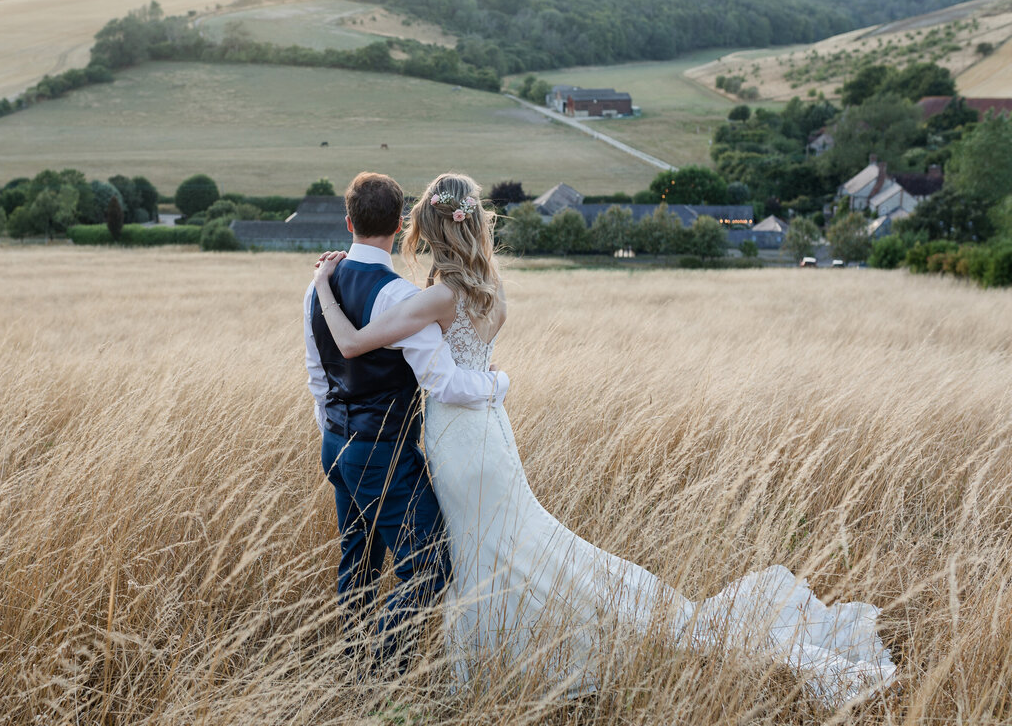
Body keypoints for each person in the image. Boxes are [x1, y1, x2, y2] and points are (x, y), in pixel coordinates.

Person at [311, 172, 897, 705]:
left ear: (430, 230)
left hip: (460, 439)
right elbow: (468, 365)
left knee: (483, 554)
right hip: (489, 437)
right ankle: (510, 660)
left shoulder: (436, 298)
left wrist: (324, 287)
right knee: (510, 547)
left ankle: (500, 666)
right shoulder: (491, 291)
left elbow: (355, 345)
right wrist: (498, 381)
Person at [302, 171, 508, 675]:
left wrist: (335, 432)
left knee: (360, 562)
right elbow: (440, 381)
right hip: (382, 450)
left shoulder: (315, 289)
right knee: (430, 566)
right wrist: (499, 384)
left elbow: (317, 373)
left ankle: (353, 672)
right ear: (399, 225)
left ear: (348, 221)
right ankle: (380, 670)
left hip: (336, 443)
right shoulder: (399, 297)